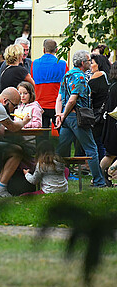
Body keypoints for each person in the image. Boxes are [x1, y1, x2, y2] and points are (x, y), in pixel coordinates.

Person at [54, 49, 107, 187]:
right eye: (89, 61)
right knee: (91, 149)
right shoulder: (81, 78)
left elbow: (59, 98)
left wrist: (59, 115)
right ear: (83, 63)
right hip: (77, 117)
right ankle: (99, 182)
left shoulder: (67, 75)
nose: (90, 63)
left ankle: (50, 176)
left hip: (67, 119)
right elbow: (72, 100)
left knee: (60, 149)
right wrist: (63, 115)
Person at [89, 53, 110, 160]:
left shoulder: (98, 75)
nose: (90, 65)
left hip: (97, 113)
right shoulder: (109, 76)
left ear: (98, 65)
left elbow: (87, 92)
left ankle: (99, 167)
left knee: (96, 142)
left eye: (92, 63)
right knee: (102, 142)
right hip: (106, 113)